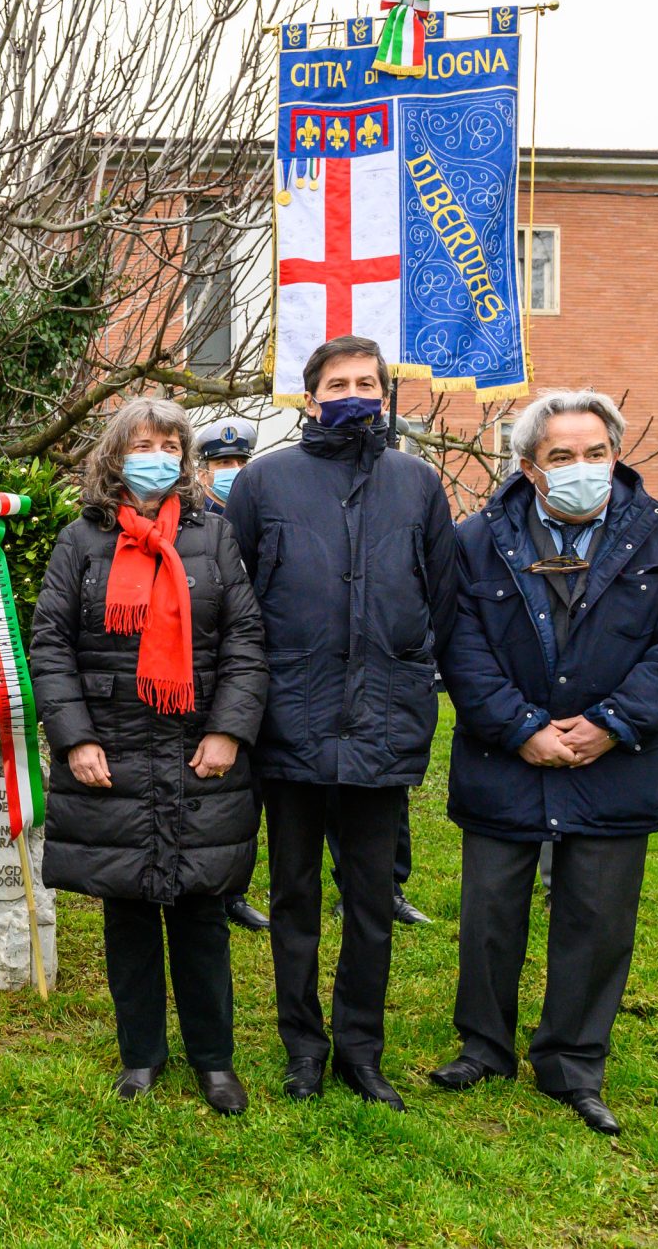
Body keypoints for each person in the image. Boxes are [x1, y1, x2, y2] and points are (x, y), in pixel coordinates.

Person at [432, 390, 658, 1136]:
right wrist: (523, 727)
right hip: (506, 755)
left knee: (597, 916)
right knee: (491, 911)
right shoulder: (478, 538)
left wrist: (613, 724)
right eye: (562, 456)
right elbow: (461, 645)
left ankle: (572, 1063)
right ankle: (483, 1046)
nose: (582, 467)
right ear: (529, 466)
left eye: (595, 452)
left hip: (616, 761)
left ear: (615, 455)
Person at [223, 334, 456, 1111]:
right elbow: (240, 605)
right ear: (310, 393)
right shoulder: (264, 481)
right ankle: (302, 1048)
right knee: (293, 900)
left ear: (386, 393)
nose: (353, 392)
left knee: (371, 902)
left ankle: (362, 1049)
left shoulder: (418, 484)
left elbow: (443, 601)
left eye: (367, 381)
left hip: (383, 727)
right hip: (288, 727)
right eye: (338, 381)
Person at [34, 397, 269, 1116]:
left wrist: (229, 729)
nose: (158, 454)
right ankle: (140, 1053)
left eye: (171, 442)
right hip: (114, 753)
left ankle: (214, 1060)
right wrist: (75, 738)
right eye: (144, 441)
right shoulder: (80, 540)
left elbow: (245, 641)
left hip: (200, 754)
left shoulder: (215, 537)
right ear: (115, 453)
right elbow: (50, 645)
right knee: (128, 913)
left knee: (201, 911)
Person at [195, 414, 270, 934]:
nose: (233, 471)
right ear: (203, 472)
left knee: (247, 790)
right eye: (222, 463)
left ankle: (235, 890)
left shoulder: (264, 514)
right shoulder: (194, 521)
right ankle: (211, 888)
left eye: (241, 461)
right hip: (202, 663)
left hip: (251, 659)